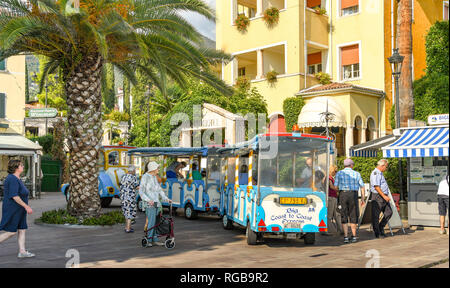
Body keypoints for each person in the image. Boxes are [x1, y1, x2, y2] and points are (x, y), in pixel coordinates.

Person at [0, 160, 35, 258]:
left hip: (19, 210)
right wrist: (26, 206)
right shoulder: (12, 179)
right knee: (12, 231)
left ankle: (22, 252)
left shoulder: (17, 178)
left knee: (22, 229)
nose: (23, 167)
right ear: (16, 168)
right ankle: (22, 251)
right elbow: (14, 196)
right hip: (13, 209)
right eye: (21, 165)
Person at [139, 161, 172, 247]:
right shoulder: (145, 177)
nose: (158, 169)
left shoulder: (154, 177)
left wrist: (166, 198)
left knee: (157, 221)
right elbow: (141, 192)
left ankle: (155, 239)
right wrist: (148, 200)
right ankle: (149, 239)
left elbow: (159, 190)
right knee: (151, 221)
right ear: (153, 169)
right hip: (149, 203)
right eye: (157, 168)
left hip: (156, 202)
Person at [334, 158, 366, 243]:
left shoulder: (339, 173)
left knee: (344, 214)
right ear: (351, 165)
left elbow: (335, 186)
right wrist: (363, 198)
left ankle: (346, 237)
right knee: (353, 214)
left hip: (343, 194)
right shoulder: (356, 173)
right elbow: (362, 187)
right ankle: (354, 236)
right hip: (353, 194)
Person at [370, 159, 393, 238]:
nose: (386, 168)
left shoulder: (380, 173)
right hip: (378, 196)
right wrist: (384, 196)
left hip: (383, 195)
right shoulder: (375, 173)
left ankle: (381, 227)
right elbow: (376, 186)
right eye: (385, 167)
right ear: (382, 166)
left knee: (389, 212)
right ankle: (377, 233)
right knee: (376, 215)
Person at [120, 165, 139, 233]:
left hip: (123, 197)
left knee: (126, 211)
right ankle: (128, 228)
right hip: (130, 197)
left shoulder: (123, 176)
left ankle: (127, 227)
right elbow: (137, 186)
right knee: (130, 212)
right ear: (133, 171)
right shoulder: (133, 177)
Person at [327, 165, 343, 235]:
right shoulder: (329, 178)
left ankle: (340, 229)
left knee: (337, 214)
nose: (335, 173)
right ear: (332, 170)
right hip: (331, 197)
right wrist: (338, 189)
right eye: (335, 171)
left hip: (333, 197)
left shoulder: (330, 178)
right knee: (330, 215)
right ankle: (331, 230)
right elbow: (331, 187)